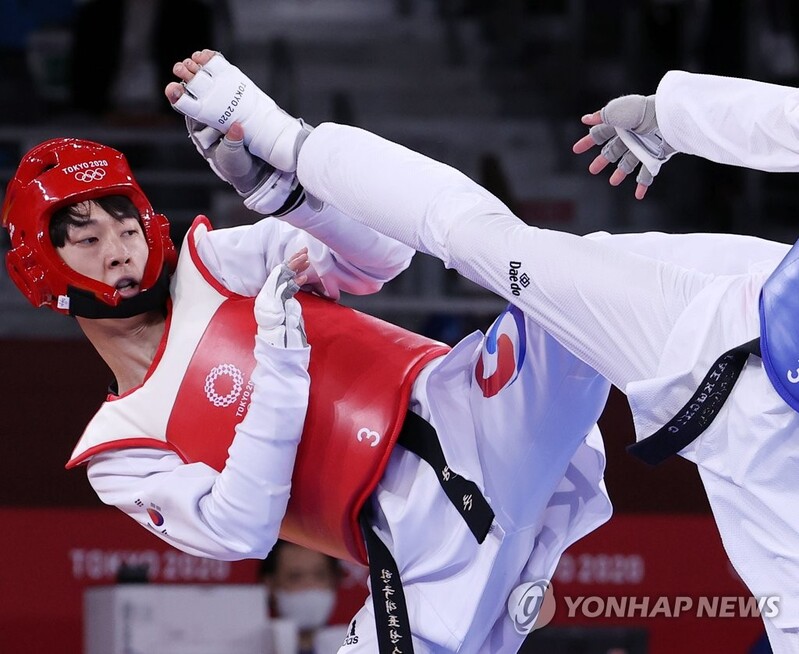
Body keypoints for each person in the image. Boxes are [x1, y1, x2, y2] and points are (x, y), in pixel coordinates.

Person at [165, 51, 799, 651]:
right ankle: (283, 141)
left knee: (482, 239)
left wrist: (676, 116)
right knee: (486, 243)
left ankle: (283, 142)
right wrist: (675, 115)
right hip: (736, 318)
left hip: (739, 387)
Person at [260, 539, 349, 653]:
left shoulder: (358, 645)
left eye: (320, 575)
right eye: (295, 577)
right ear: (271, 585)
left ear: (333, 580)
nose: (309, 586)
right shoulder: (250, 648)